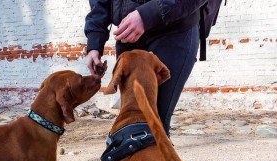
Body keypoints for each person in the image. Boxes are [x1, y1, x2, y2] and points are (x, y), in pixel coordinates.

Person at [85, 0, 208, 136]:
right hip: (128, 33)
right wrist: (95, 42)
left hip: (173, 31)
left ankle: (158, 155)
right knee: (133, 121)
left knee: (155, 123)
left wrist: (147, 14)